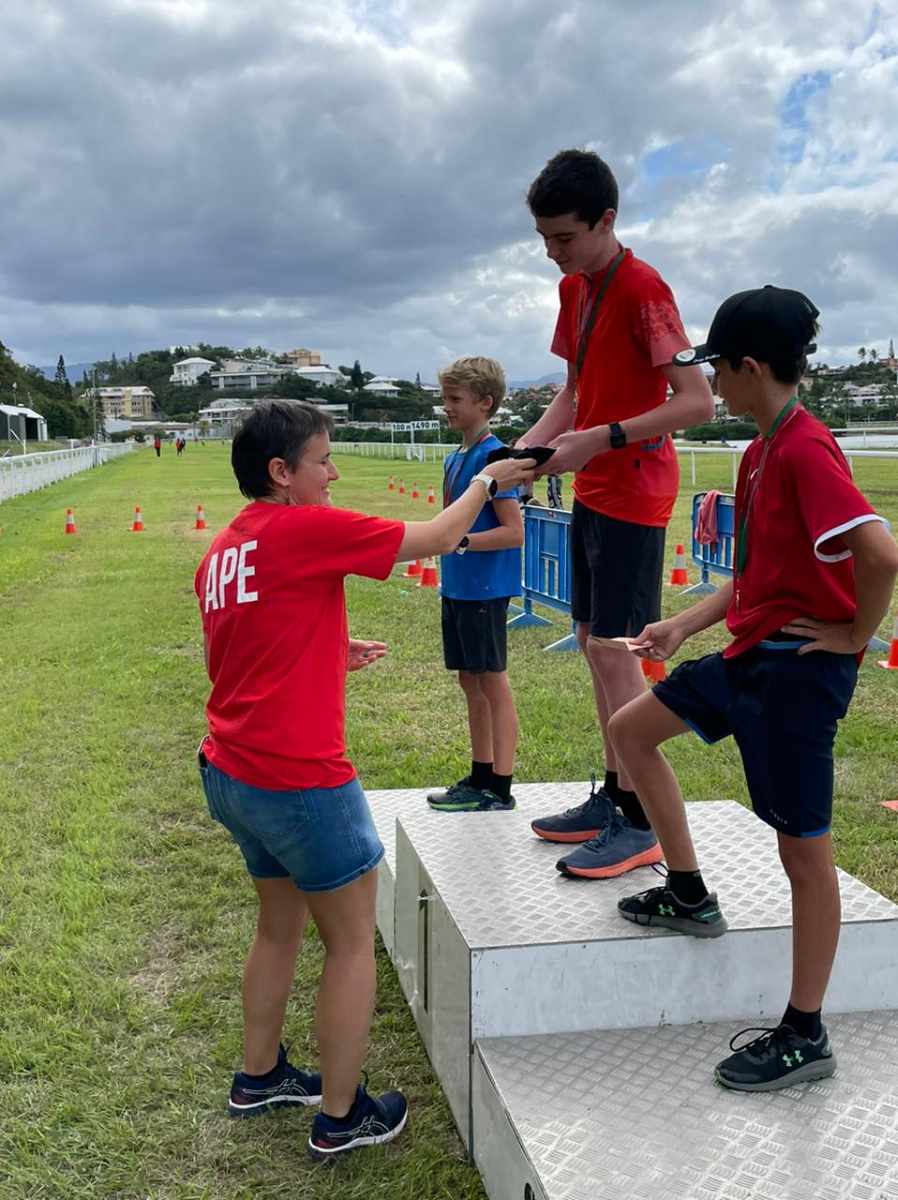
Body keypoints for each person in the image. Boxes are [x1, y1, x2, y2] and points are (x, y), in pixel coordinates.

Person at [194, 399, 534, 1157]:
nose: (334, 474)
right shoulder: (305, 527)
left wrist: (326, 649)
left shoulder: (223, 548)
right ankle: (342, 1117)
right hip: (300, 782)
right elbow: (439, 538)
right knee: (350, 946)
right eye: (323, 460)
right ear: (282, 473)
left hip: (232, 772)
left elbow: (241, 643)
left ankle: (259, 1075)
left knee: (276, 927)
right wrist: (486, 481)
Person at [609, 286, 898, 1090]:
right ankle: (688, 893)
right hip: (750, 656)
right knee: (631, 732)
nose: (713, 385)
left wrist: (853, 634)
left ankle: (805, 1032)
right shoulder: (759, 450)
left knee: (803, 852)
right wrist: (682, 625)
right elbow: (756, 575)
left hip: (799, 674)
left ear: (750, 366)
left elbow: (881, 554)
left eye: (719, 370)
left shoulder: (805, 448)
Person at [520, 148, 713, 878]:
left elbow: (697, 402)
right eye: (544, 239)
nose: (553, 252)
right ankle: (615, 795)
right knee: (591, 643)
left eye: (565, 237)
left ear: (606, 220)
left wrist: (599, 440)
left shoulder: (644, 288)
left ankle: (639, 820)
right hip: (593, 490)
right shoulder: (574, 289)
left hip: (635, 492)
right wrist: (523, 451)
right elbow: (573, 394)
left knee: (616, 652)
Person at [425, 357, 523, 812]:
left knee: (492, 682)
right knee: (470, 680)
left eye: (454, 399)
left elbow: (513, 532)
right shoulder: (455, 457)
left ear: (485, 403)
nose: (446, 406)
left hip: (484, 588)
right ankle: (480, 773)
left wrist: (460, 542)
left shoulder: (495, 459)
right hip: (457, 587)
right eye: (444, 397)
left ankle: (500, 785)